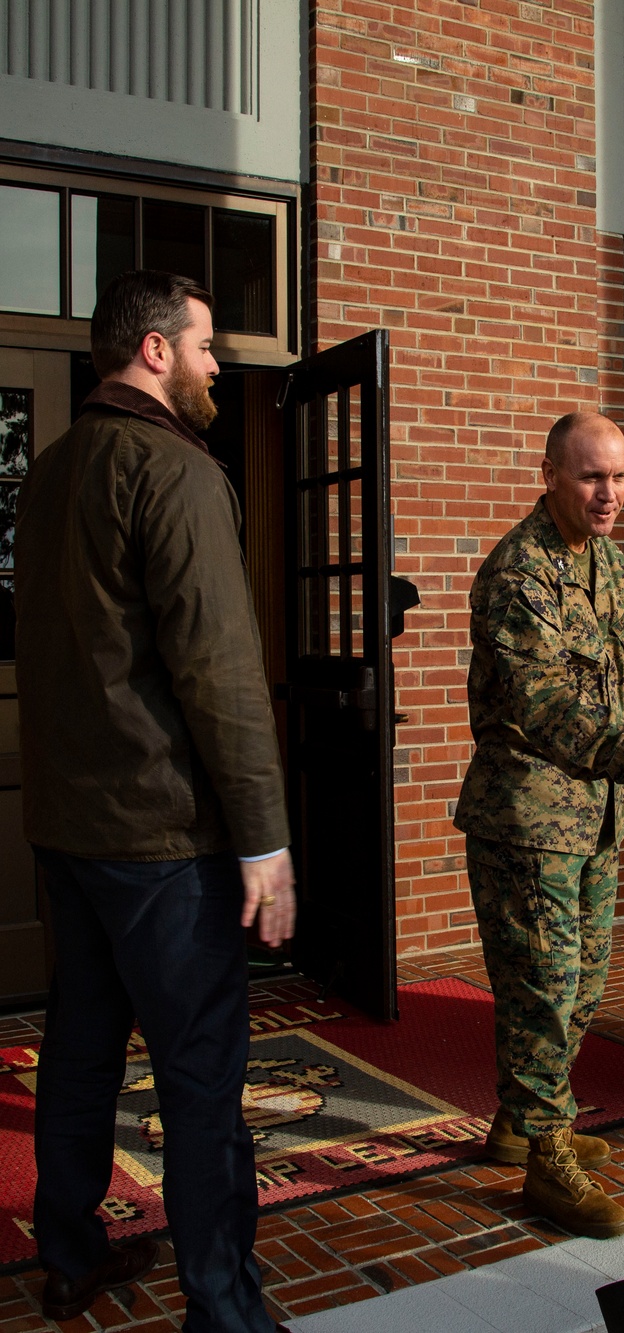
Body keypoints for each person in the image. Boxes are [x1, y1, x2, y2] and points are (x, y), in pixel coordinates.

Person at [14, 270, 296, 1330]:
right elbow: (221, 673)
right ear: (153, 351)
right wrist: (265, 840)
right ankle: (225, 1309)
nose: (220, 364)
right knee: (201, 1076)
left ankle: (70, 1252)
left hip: (67, 830)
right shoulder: (174, 470)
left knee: (81, 1050)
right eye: (209, 345)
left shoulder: (46, 474)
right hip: (163, 844)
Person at [455, 410, 624, 1239]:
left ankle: (521, 1122)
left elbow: (605, 688)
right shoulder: (519, 573)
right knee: (542, 989)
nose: (609, 494)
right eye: (593, 476)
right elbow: (547, 707)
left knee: (585, 980)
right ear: (552, 475)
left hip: (593, 816)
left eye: (620, 477)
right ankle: (545, 1159)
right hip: (526, 817)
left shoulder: (607, 561)